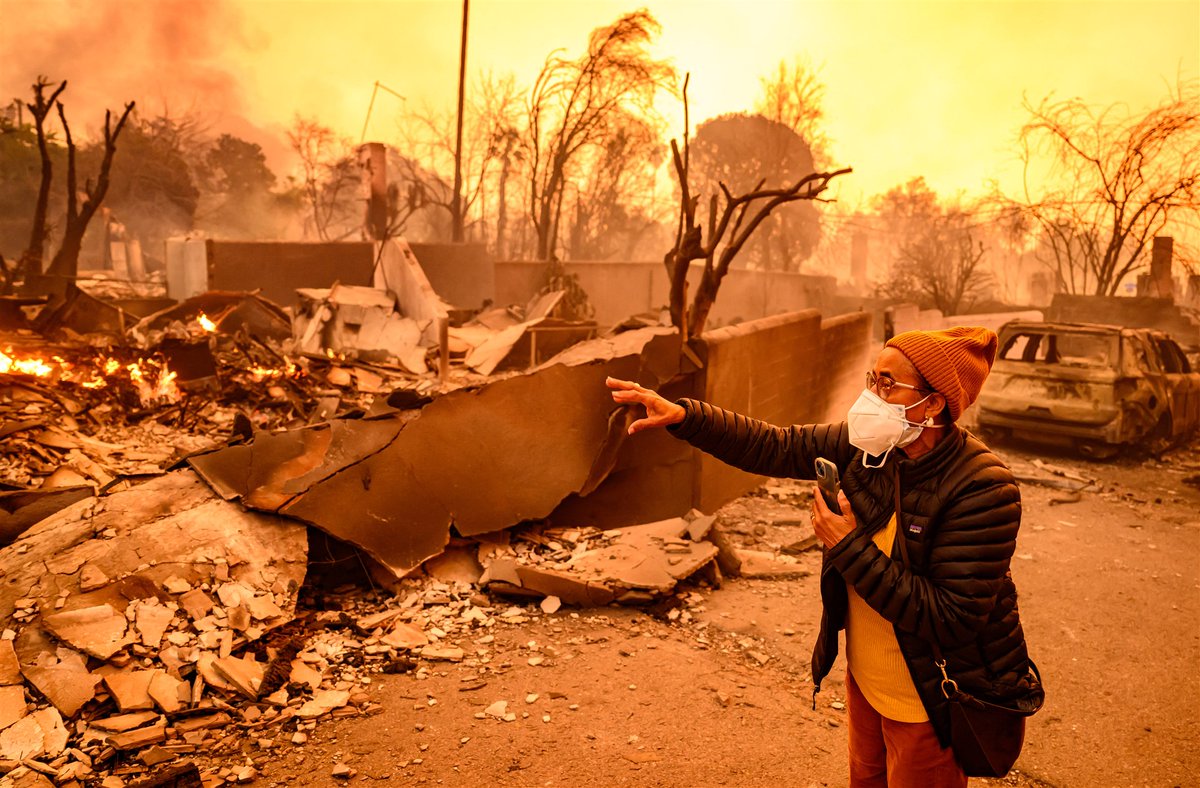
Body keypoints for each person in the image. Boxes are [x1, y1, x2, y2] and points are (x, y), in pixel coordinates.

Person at [607, 326, 1039, 787]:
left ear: (933, 404)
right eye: (872, 379)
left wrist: (847, 545)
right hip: (866, 681)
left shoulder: (982, 487)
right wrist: (685, 417)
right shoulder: (872, 447)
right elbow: (777, 444)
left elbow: (950, 618)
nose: (871, 395)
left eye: (888, 384)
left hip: (927, 702)